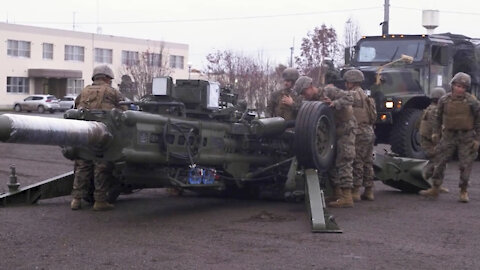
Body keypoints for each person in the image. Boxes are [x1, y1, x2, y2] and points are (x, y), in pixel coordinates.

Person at [293, 76, 356, 208]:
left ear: (310, 86)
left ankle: (347, 197)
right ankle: (337, 193)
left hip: (345, 129)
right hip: (330, 132)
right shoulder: (311, 101)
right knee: (330, 161)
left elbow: (350, 98)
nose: (304, 96)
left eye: (305, 92)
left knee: (344, 159)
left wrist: (334, 103)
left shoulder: (329, 91)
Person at [71, 65, 126, 211]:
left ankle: (76, 199)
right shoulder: (112, 92)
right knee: (101, 166)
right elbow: (124, 113)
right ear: (107, 78)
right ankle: (100, 201)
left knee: (82, 165)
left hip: (83, 134)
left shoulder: (83, 92)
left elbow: (75, 109)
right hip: (102, 136)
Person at [420, 72, 480, 202]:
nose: (460, 89)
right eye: (458, 86)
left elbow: (478, 120)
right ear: (453, 86)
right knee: (440, 161)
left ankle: (463, 191)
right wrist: (436, 132)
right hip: (448, 135)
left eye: (463, 87)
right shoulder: (444, 100)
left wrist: (477, 139)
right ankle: (435, 187)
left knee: (465, 164)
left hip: (466, 136)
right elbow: (438, 117)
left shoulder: (472, 101)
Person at [343, 69, 377, 201]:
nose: (345, 84)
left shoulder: (352, 95)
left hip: (358, 132)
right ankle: (369, 191)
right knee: (368, 161)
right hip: (369, 130)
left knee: (356, 160)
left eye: (347, 82)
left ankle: (355, 191)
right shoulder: (365, 95)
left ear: (351, 82)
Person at [418, 87, 449, 193]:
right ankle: (422, 177)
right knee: (438, 162)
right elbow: (436, 127)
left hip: (427, 140)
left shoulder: (429, 108)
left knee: (438, 162)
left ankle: (436, 185)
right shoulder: (435, 111)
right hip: (431, 141)